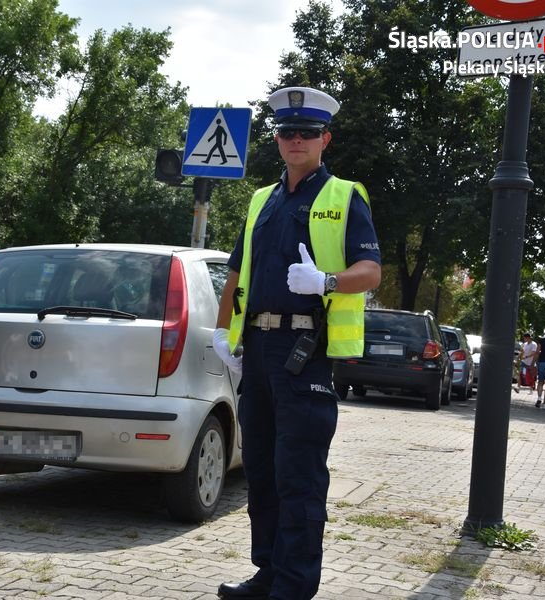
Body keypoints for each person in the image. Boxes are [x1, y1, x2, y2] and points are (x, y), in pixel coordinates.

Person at [212, 86, 381, 600]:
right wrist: (223, 332)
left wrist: (327, 281)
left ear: (325, 138)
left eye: (307, 133)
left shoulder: (345, 196)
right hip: (257, 352)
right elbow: (238, 271)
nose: (295, 141)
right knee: (260, 473)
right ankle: (268, 572)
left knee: (298, 476)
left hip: (304, 354)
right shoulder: (261, 200)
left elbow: (371, 271)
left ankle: (294, 585)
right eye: (287, 132)